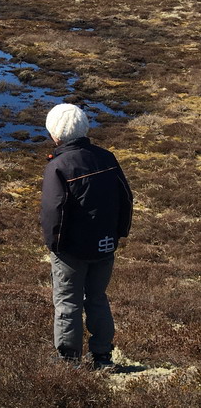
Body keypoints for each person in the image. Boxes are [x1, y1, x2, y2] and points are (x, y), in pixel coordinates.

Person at [41, 103, 133, 370]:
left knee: (68, 301)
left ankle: (68, 360)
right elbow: (126, 198)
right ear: (84, 128)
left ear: (55, 134)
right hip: (105, 246)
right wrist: (117, 235)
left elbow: (53, 211)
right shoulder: (107, 158)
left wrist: (55, 246)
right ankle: (102, 356)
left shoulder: (58, 166)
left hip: (71, 251)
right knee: (97, 297)